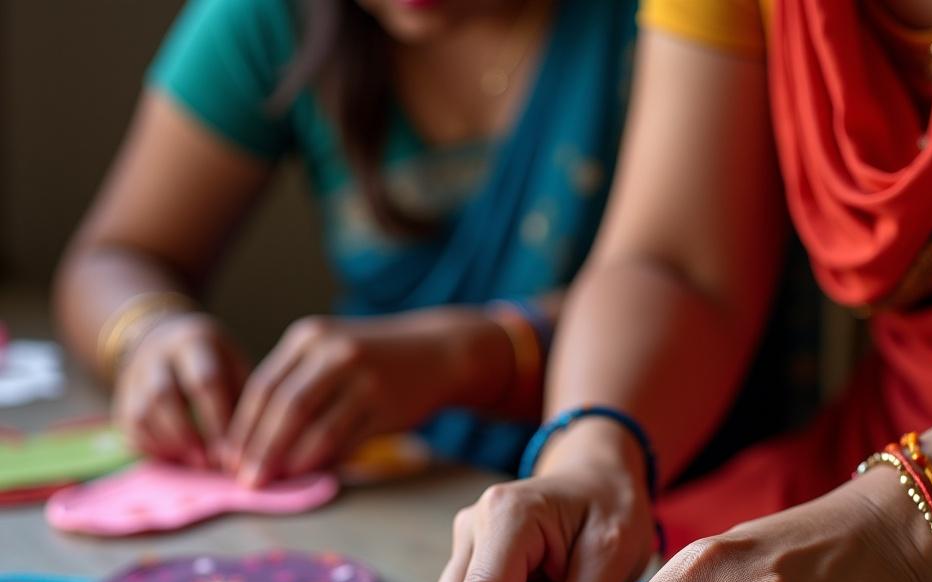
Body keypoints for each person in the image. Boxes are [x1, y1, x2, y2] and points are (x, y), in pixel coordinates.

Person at [425, 0, 932, 582]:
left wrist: (909, 529)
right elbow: (679, 261)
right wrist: (592, 453)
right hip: (845, 502)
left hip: (892, 523)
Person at [54, 0, 637, 482]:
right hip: (392, 481)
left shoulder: (652, 27)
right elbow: (116, 256)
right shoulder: (271, 18)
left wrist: (456, 359)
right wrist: (150, 332)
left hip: (650, 481)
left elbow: (694, 295)